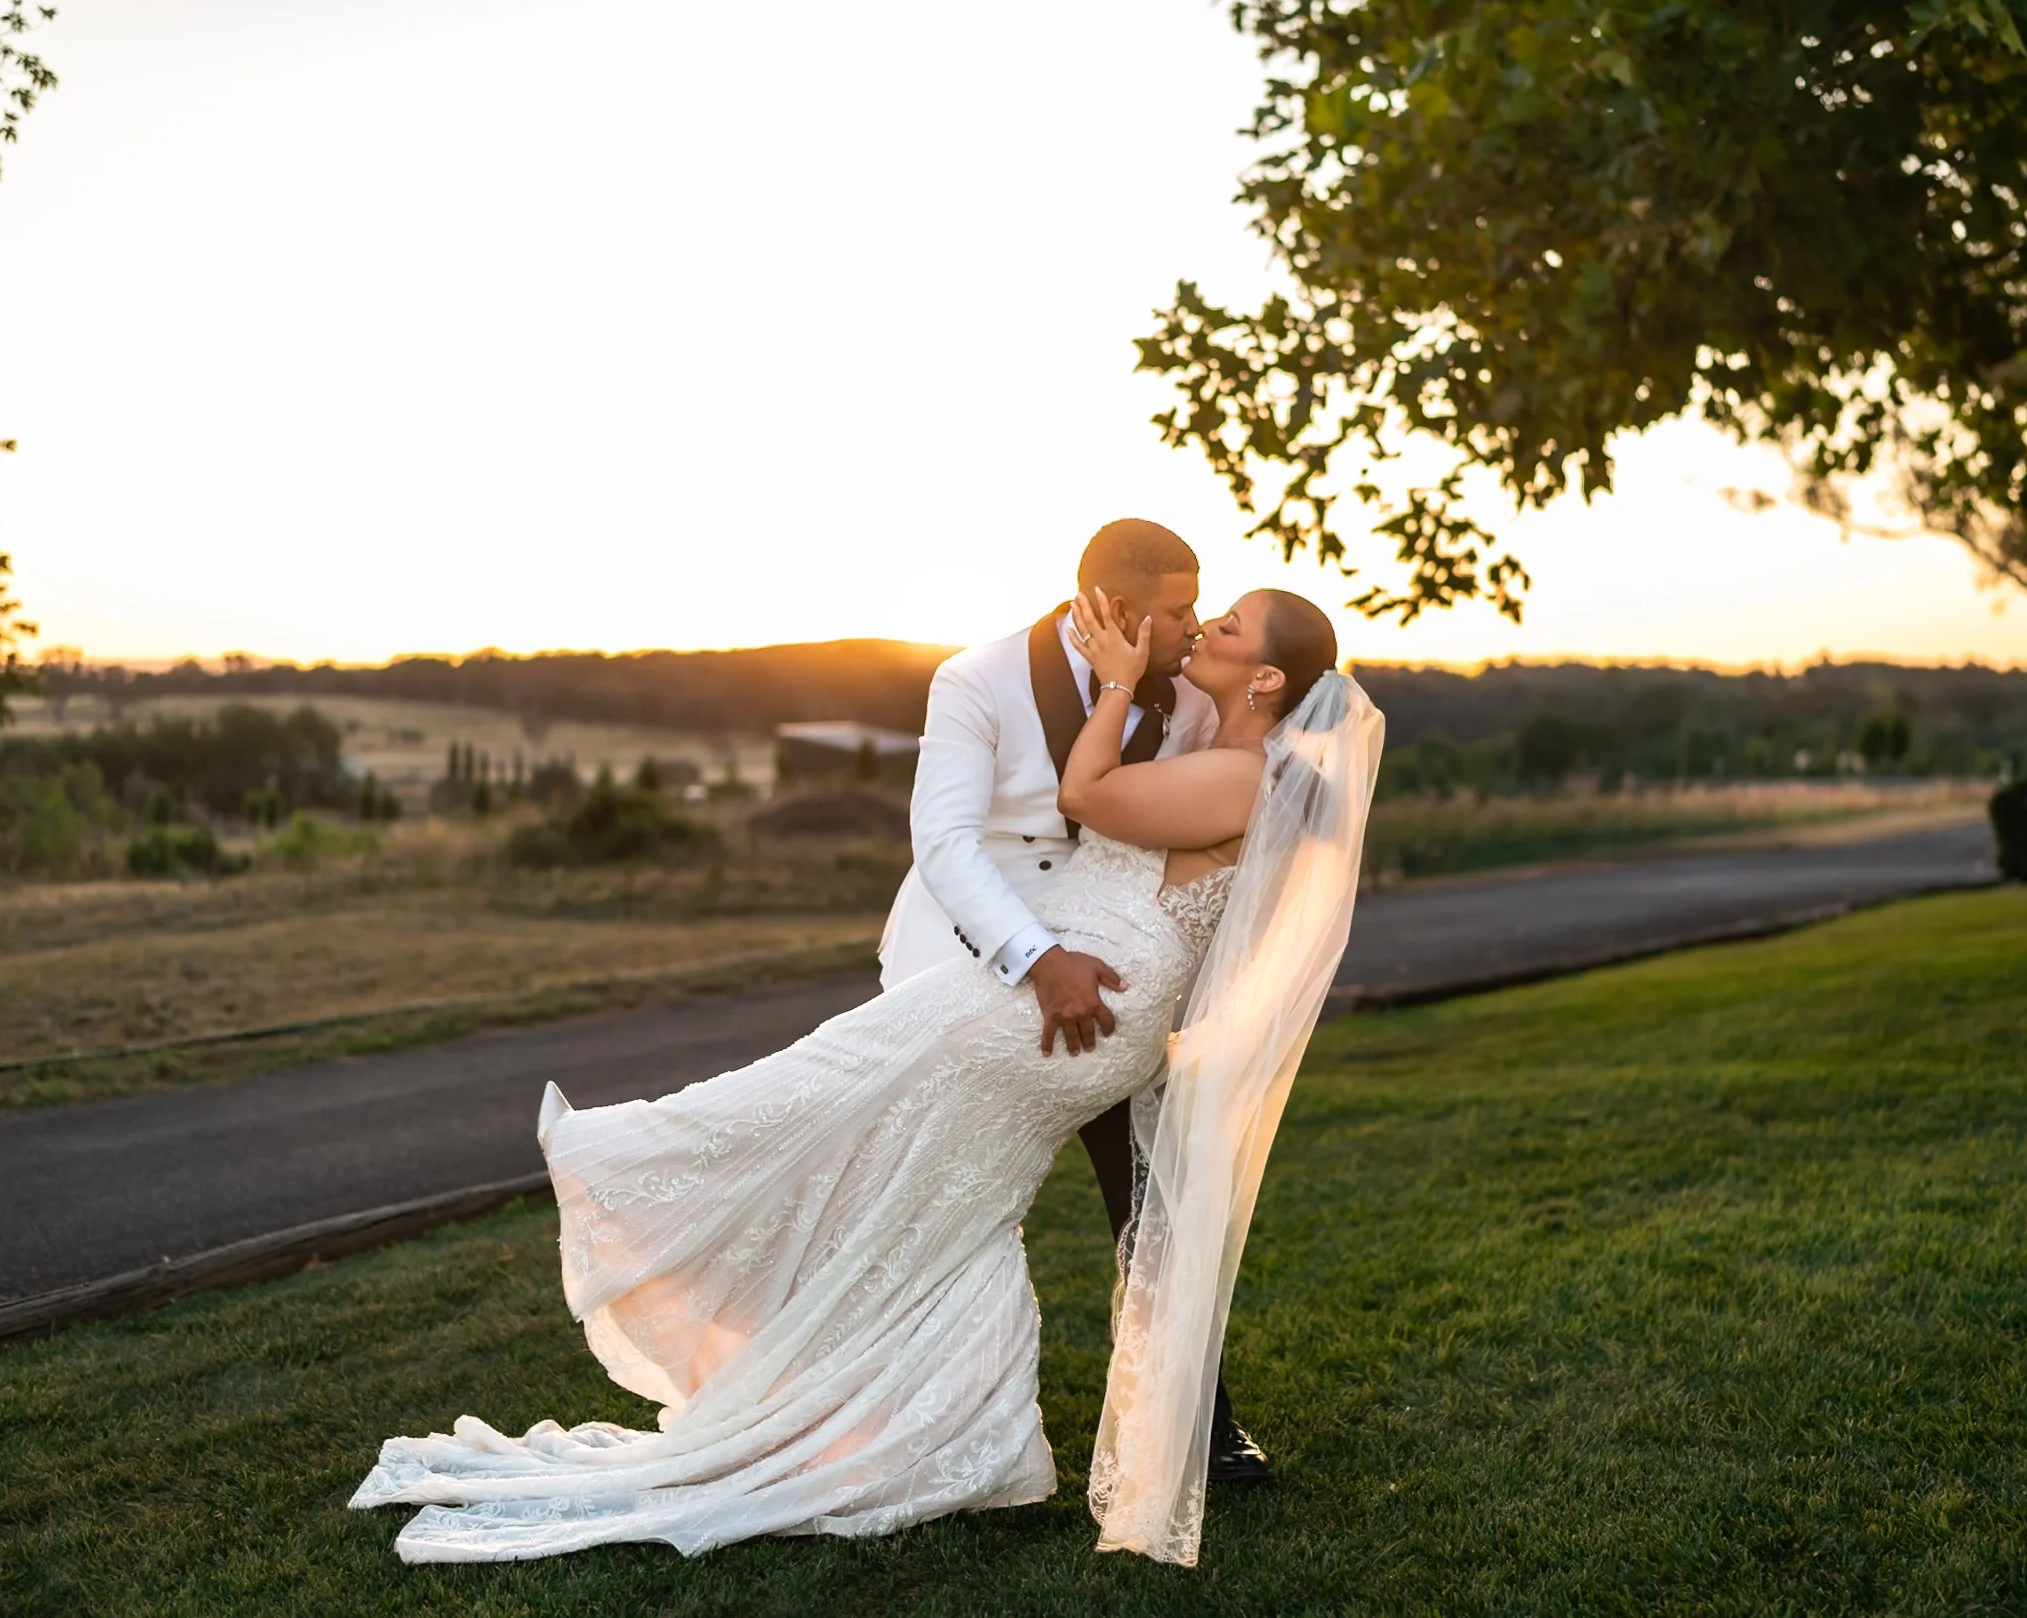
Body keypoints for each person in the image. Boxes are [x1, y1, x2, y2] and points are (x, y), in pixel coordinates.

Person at [351, 584, 1384, 1569]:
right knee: (939, 1203)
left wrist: (1114, 682)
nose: (1205, 625)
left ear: (1266, 683)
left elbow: (1084, 793)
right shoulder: (1208, 742)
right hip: (1059, 996)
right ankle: (942, 1428)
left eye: (1233, 624)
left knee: (831, 1088)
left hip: (1073, 1002)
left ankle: (626, 1163)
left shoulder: (1240, 773)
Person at [876, 519, 1269, 1482]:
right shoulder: (977, 678)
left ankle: (1199, 1427)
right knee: (941, 1201)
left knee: (1155, 1193)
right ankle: (917, 1425)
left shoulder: (1189, 698)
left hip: (1115, 974)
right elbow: (947, 845)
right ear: (1125, 610)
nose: (1194, 625)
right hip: (969, 963)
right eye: (1181, 610)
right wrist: (1036, 956)